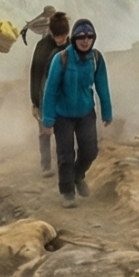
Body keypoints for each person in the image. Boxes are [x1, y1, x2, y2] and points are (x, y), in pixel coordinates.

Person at [38, 19, 112, 207]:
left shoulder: (96, 58)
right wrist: (47, 119)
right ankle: (67, 191)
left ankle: (78, 176)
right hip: (63, 115)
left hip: (86, 112)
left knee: (90, 151)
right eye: (81, 37)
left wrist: (107, 111)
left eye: (89, 37)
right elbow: (51, 89)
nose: (85, 40)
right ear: (74, 38)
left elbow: (102, 85)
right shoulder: (61, 58)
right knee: (65, 155)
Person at [26, 11, 71, 176]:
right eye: (57, 37)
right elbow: (35, 74)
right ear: (51, 32)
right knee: (45, 130)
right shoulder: (43, 47)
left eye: (63, 36)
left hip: (65, 96)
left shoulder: (71, 45)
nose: (60, 40)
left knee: (64, 131)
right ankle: (46, 164)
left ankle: (63, 163)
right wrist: (35, 101)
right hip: (44, 94)